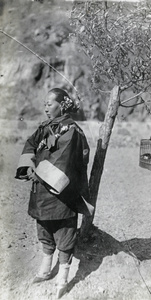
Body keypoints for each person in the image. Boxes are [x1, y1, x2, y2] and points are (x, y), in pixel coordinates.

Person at [15, 88, 94, 298]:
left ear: (62, 105)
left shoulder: (72, 130)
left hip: (62, 191)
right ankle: (46, 267)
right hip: (41, 188)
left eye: (50, 104)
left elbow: (64, 159)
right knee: (43, 226)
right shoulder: (44, 127)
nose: (46, 108)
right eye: (45, 104)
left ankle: (63, 277)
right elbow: (31, 144)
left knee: (64, 230)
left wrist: (39, 173)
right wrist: (30, 167)